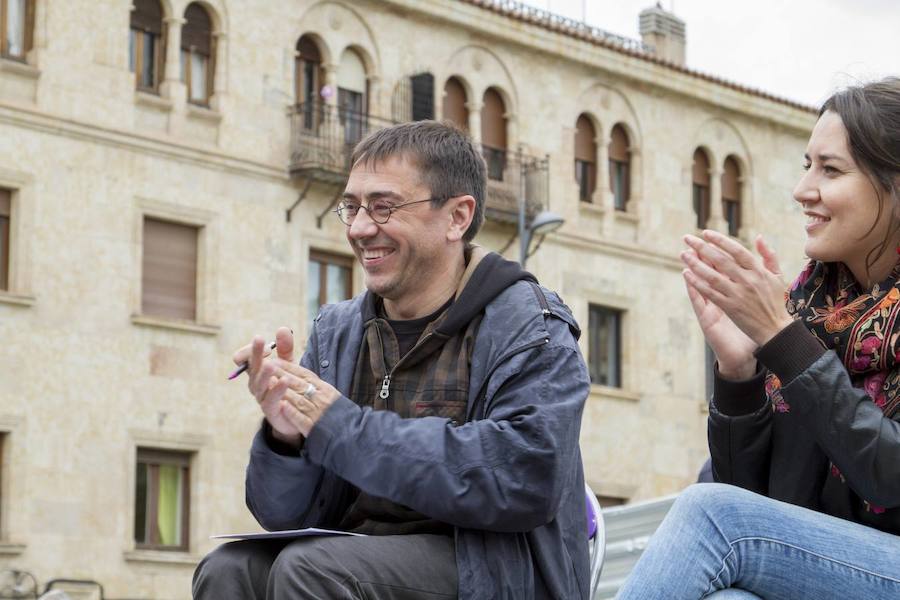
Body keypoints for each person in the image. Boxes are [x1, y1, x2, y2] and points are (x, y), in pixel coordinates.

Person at [192, 121, 591, 599]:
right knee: (227, 569)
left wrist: (342, 428)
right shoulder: (337, 331)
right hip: (350, 560)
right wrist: (288, 437)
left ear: (457, 217)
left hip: (493, 575)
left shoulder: (530, 324)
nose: (360, 228)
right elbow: (283, 515)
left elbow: (525, 477)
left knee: (311, 570)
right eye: (352, 207)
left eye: (383, 207)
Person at [617, 77, 900, 599]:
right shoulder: (811, 307)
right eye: (806, 165)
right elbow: (750, 496)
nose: (802, 190)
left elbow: (890, 474)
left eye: (831, 169)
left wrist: (782, 337)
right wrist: (739, 372)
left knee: (712, 515)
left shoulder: (791, 326)